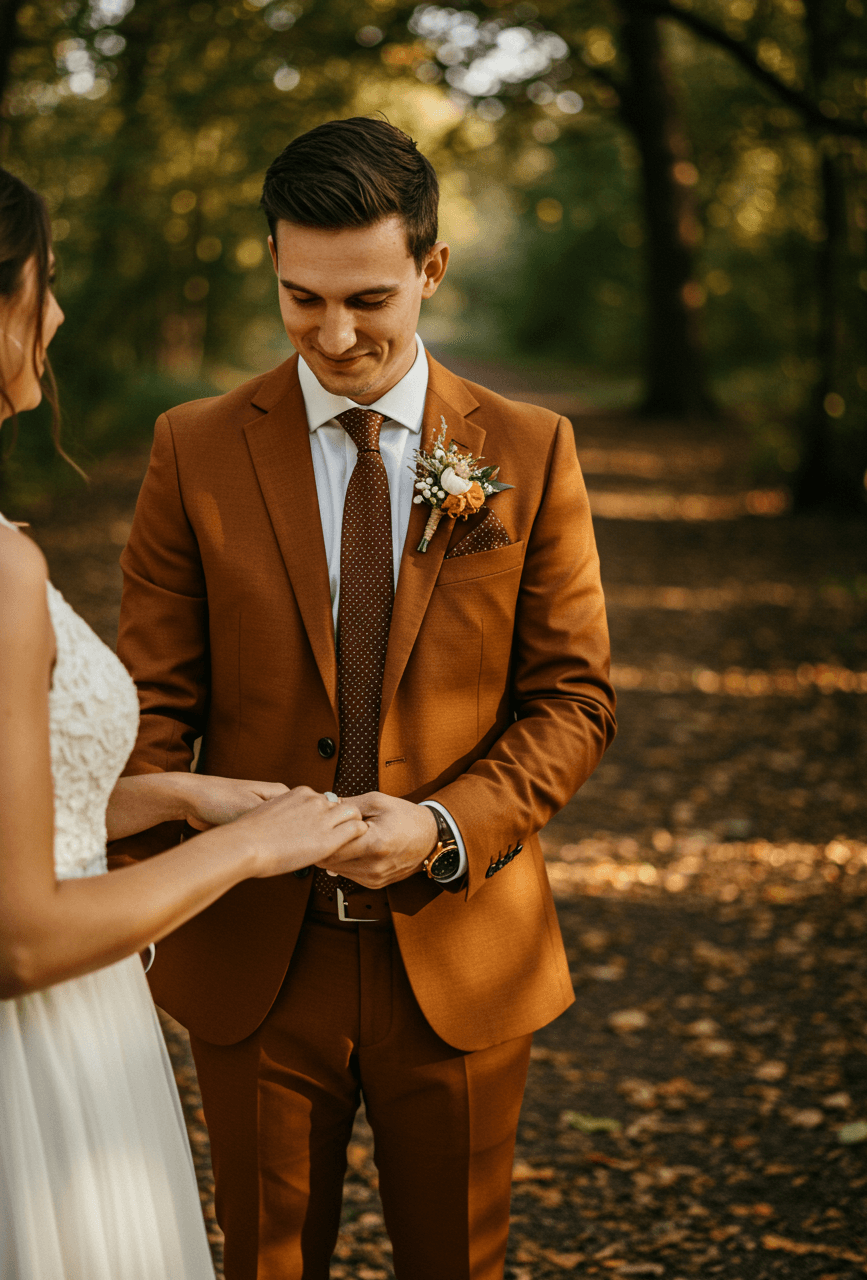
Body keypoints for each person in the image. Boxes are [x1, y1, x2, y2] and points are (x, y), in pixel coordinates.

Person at [113, 116, 616, 1280]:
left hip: (462, 949)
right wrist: (145, 871)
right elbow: (150, 697)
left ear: (430, 269)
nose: (334, 335)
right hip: (253, 960)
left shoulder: (531, 450)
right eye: (302, 299)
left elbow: (571, 699)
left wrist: (442, 827)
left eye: (369, 299)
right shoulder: (191, 448)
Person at [0, 166, 367, 1280]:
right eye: (42, 281)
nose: (56, 312)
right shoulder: (3, 572)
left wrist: (165, 795)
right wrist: (247, 845)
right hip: (39, 1061)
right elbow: (19, 937)